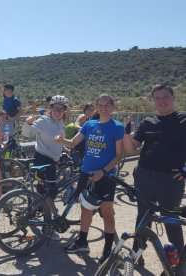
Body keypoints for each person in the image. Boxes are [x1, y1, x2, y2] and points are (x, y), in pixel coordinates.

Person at [54, 94, 124, 265]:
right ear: (96, 106)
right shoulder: (89, 124)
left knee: (107, 214)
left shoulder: (117, 127)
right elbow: (73, 143)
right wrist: (62, 140)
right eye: (100, 105)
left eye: (107, 105)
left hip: (105, 176)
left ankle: (108, 253)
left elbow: (119, 155)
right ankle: (82, 242)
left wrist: (103, 171)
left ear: (112, 107)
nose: (103, 108)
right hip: (86, 173)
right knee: (86, 209)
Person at [123, 84, 186, 263]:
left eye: (165, 97)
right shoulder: (148, 122)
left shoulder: (183, 119)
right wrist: (126, 133)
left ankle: (180, 264)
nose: (161, 101)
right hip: (144, 176)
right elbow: (130, 149)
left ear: (173, 98)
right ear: (153, 101)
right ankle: (136, 256)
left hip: (170, 179)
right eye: (157, 98)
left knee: (171, 220)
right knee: (143, 217)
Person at [22, 95, 70, 241]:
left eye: (61, 109)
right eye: (56, 108)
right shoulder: (42, 121)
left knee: (46, 192)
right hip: (42, 159)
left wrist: (64, 151)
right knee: (49, 193)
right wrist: (28, 123)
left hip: (53, 161)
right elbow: (27, 134)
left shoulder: (60, 122)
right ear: (50, 108)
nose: (58, 111)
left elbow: (59, 140)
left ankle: (37, 209)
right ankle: (47, 227)